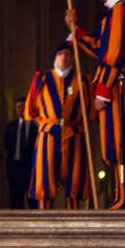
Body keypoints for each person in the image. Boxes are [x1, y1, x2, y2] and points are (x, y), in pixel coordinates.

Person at [66, 0, 125, 209]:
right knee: (114, 142)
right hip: (112, 85)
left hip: (117, 87)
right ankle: (120, 196)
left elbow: (117, 56)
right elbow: (98, 47)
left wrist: (103, 91)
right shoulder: (113, 15)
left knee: (123, 142)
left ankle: (124, 198)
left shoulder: (122, 13)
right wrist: (74, 29)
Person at [24, 41, 97, 210]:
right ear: (55, 58)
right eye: (60, 54)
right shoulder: (42, 78)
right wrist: (44, 126)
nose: (64, 57)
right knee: (45, 175)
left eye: (68, 54)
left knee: (75, 177)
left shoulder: (83, 80)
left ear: (72, 58)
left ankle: (75, 218)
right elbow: (31, 109)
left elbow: (90, 110)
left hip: (73, 133)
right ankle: (45, 218)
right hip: (48, 133)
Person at [3, 97, 37, 209]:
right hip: (15, 168)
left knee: (33, 202)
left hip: (31, 168)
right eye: (18, 107)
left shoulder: (36, 126)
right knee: (15, 201)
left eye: (23, 106)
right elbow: (7, 146)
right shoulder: (10, 127)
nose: (21, 109)